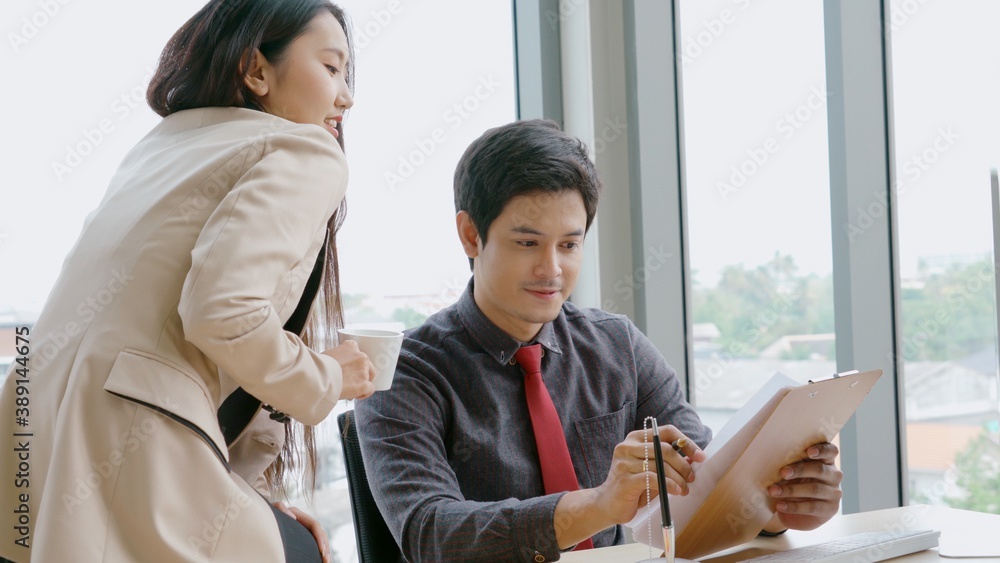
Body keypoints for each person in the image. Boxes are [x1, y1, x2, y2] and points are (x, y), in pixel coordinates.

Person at [354, 119, 844, 562]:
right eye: (528, 243)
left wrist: (779, 506)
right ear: (470, 235)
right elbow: (431, 535)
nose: (552, 269)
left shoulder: (617, 346)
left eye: (569, 244)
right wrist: (599, 504)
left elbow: (707, 487)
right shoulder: (402, 370)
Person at [0, 1, 376, 561]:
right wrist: (327, 377)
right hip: (127, 444)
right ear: (256, 70)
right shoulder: (305, 151)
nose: (346, 96)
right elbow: (222, 312)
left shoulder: (162, 146)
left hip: (28, 444)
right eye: (330, 68)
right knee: (302, 551)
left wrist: (247, 495)